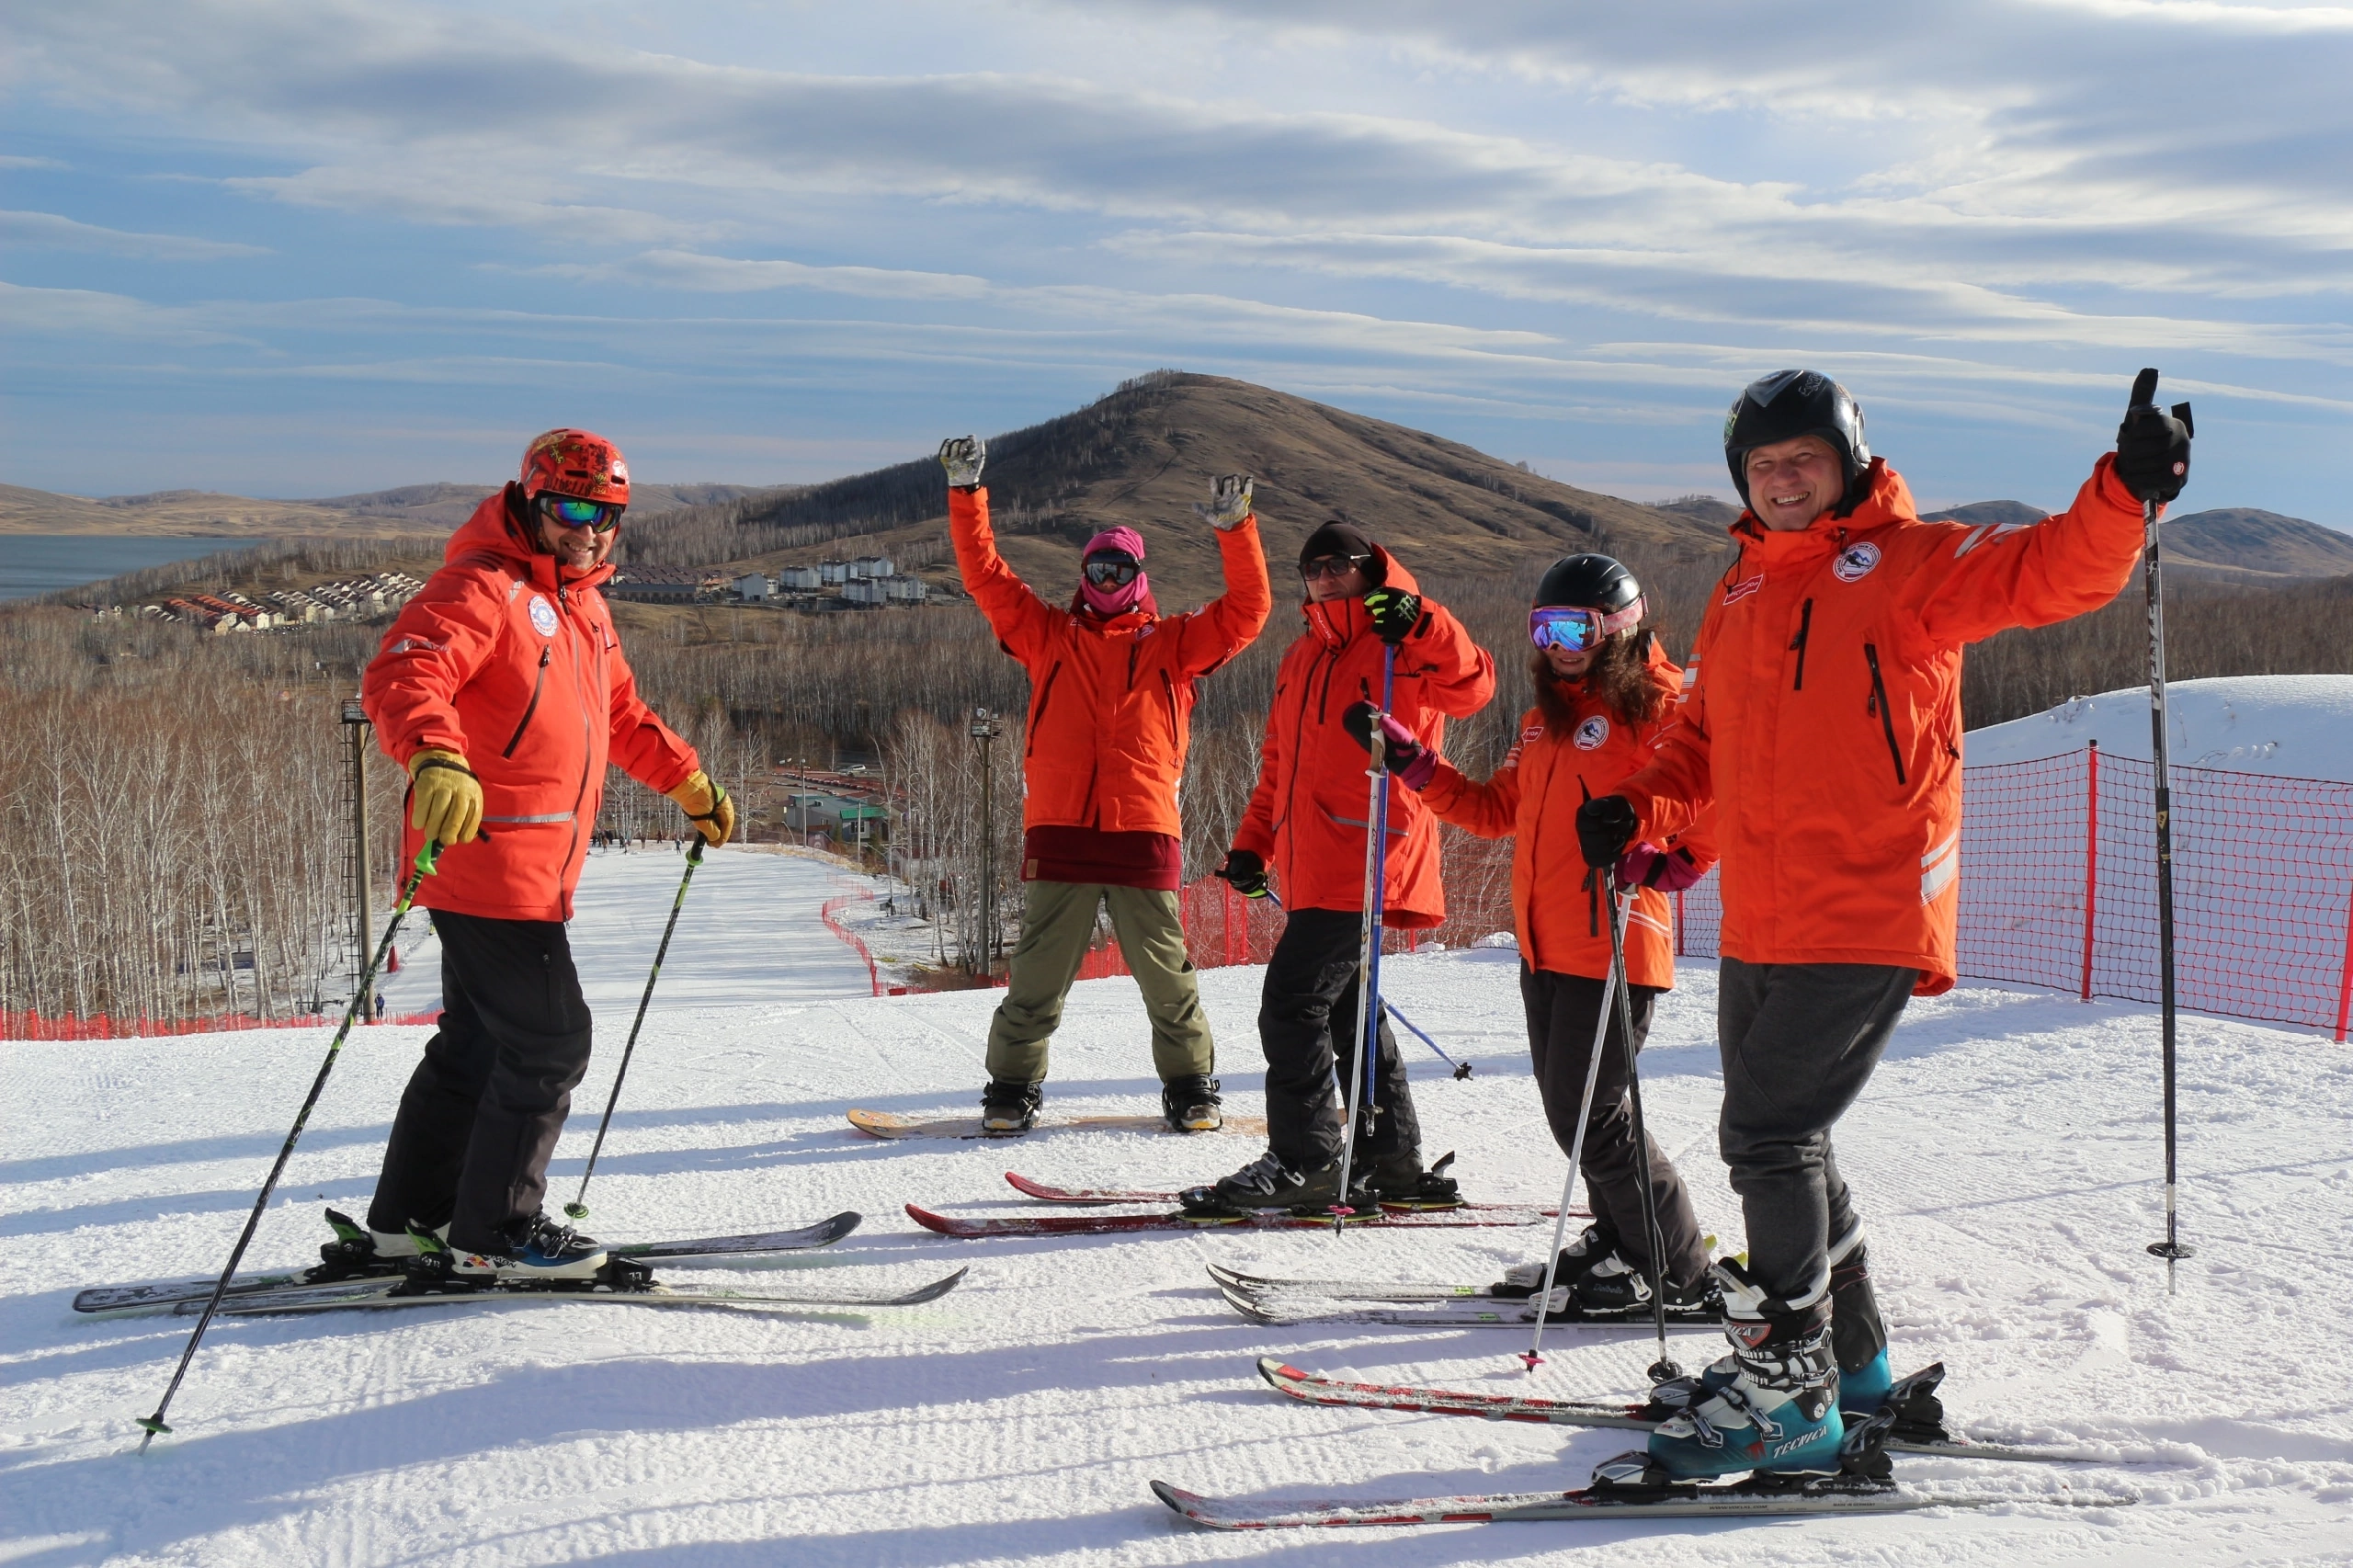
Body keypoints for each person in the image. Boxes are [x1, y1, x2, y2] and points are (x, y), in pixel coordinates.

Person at [1576, 369, 2190, 1482]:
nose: (1783, 478)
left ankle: (1790, 1392)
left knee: (1764, 1137)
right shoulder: (1740, 591)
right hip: (1762, 913)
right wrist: (1639, 800)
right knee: (1792, 1139)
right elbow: (1701, 742)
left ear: (1848, 458)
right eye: (1762, 464)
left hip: (1866, 901)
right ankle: (1850, 1370)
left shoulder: (1908, 565)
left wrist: (2122, 492)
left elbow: (2050, 569)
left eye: (1803, 456)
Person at [358, 428, 736, 1281]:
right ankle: (497, 1231)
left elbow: (624, 719)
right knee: (552, 1043)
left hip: (526, 870)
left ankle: (409, 1218)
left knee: (478, 1046)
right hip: (487, 862)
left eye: (607, 514)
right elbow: (404, 672)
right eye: (571, 508)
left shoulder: (582, 606)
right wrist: (434, 753)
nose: (589, 529)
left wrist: (692, 786)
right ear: (530, 500)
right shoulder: (484, 584)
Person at [1402, 553, 1719, 1318]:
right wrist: (1418, 767)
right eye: (1544, 628)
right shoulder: (1545, 719)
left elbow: (1709, 787)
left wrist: (1674, 859)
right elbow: (1492, 810)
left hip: (1613, 938)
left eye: (1574, 627)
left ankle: (1676, 1271)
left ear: (1618, 626)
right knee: (1573, 1116)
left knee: (1598, 1117)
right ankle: (1622, 1241)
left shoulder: (1660, 701)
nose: (1557, 644)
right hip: (1545, 943)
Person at [938, 435, 1272, 1134]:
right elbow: (987, 578)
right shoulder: (1048, 636)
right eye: (1098, 565)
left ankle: (1191, 1087)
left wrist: (1237, 530)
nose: (1109, 576)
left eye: (1120, 566)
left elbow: (1248, 610)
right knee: (1037, 974)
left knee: (1166, 976)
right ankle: (1011, 1087)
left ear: (1140, 574)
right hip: (1061, 828)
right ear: (1085, 573)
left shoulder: (1174, 644)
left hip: (1144, 830)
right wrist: (968, 492)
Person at [1193, 521, 1496, 1210]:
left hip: (1369, 853)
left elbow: (1473, 687)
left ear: (1371, 569)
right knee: (1349, 1014)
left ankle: (1306, 1160)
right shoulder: (1302, 656)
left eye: (1342, 563)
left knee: (1292, 1005)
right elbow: (1280, 767)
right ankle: (1391, 1161)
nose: (1327, 575)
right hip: (1312, 861)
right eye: (1314, 567)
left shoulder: (1402, 641)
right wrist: (1252, 845)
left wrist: (1423, 620)